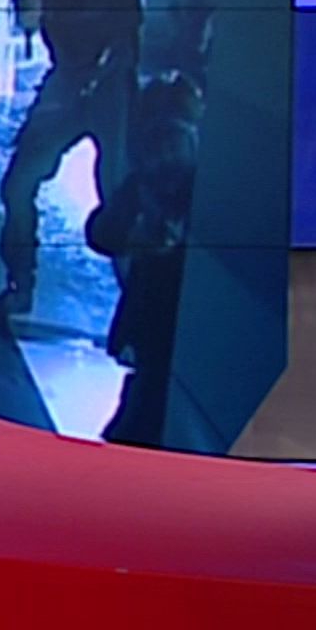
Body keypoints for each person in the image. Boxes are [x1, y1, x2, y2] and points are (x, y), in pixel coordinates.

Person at [0, 0, 142, 331]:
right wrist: (27, 8)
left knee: (118, 192)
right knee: (18, 183)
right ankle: (20, 284)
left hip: (110, 73)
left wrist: (113, 55)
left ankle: (139, 305)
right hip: (68, 74)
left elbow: (128, 3)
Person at [88, 72, 202, 447]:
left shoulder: (213, 186)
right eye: (157, 140)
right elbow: (102, 231)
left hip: (190, 321)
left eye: (174, 138)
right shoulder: (142, 184)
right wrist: (134, 238)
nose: (165, 152)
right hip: (154, 316)